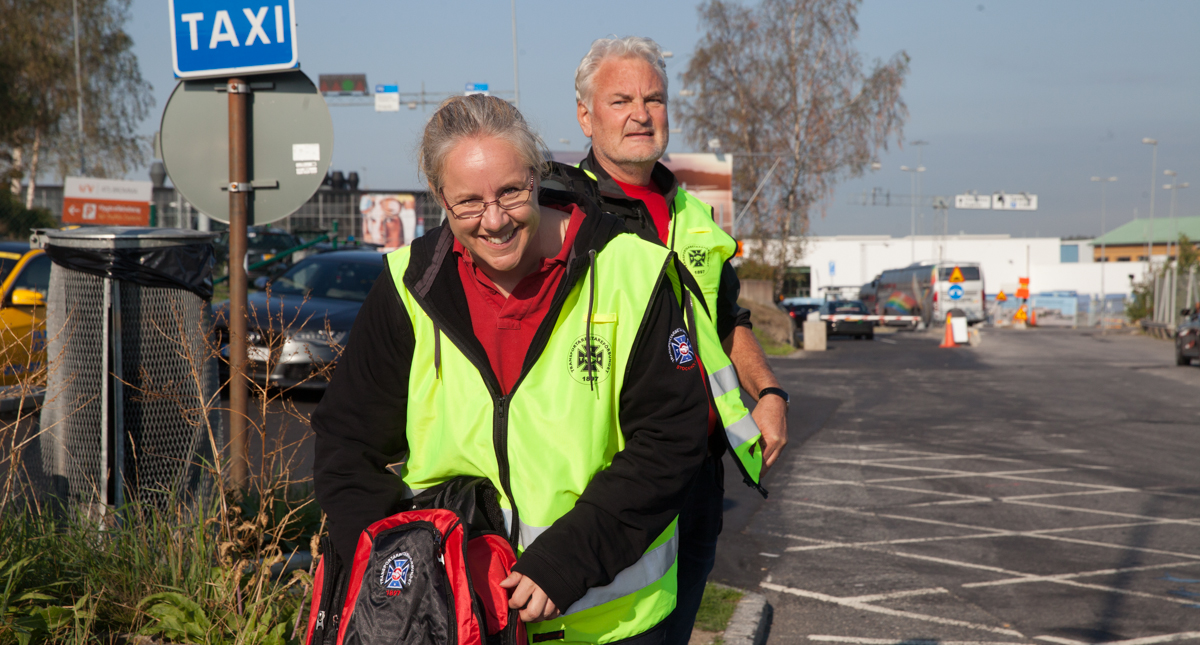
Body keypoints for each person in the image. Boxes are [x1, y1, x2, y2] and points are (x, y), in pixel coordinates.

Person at [312, 94, 710, 644]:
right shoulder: (407, 284)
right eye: (468, 203)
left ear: (537, 174)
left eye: (511, 193)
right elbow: (345, 444)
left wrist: (566, 560)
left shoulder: (633, 271)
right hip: (462, 623)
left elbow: (671, 440)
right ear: (439, 199)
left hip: (613, 623)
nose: (494, 221)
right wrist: (401, 568)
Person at [544, 36, 790, 645]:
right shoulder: (559, 214)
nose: (640, 113)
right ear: (585, 116)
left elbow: (729, 320)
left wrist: (770, 392)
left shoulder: (693, 216)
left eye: (653, 99)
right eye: (621, 99)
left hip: (698, 481)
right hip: (610, 479)